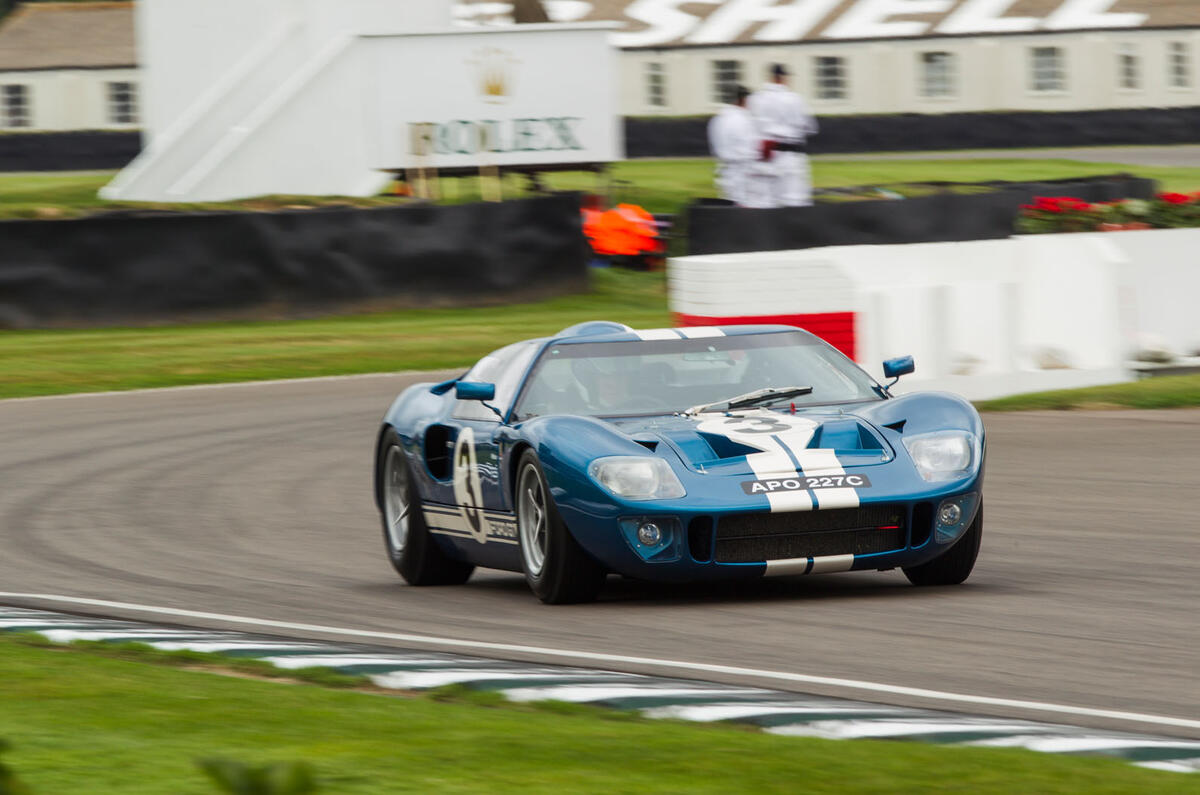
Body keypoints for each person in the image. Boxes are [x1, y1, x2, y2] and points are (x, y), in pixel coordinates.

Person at [748, 63, 819, 207]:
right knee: (795, 200)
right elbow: (811, 128)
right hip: (790, 155)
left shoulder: (756, 99)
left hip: (766, 156)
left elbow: (751, 126)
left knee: (767, 201)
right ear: (782, 78)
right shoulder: (794, 99)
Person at [706, 85, 767, 208]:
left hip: (725, 172)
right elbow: (753, 150)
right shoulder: (744, 119)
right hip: (744, 173)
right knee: (746, 210)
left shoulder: (717, 120)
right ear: (743, 100)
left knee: (729, 208)